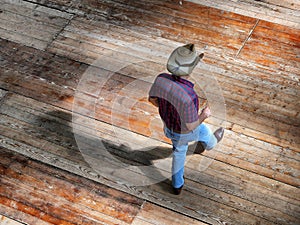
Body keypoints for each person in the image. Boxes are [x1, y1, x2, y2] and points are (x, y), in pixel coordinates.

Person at [148, 44, 224, 195]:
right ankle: (210, 144)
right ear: (191, 69)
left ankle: (178, 184)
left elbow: (152, 99)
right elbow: (190, 126)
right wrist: (204, 114)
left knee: (179, 149)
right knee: (201, 132)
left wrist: (165, 107)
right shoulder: (189, 95)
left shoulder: (161, 79)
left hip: (168, 127)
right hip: (183, 132)